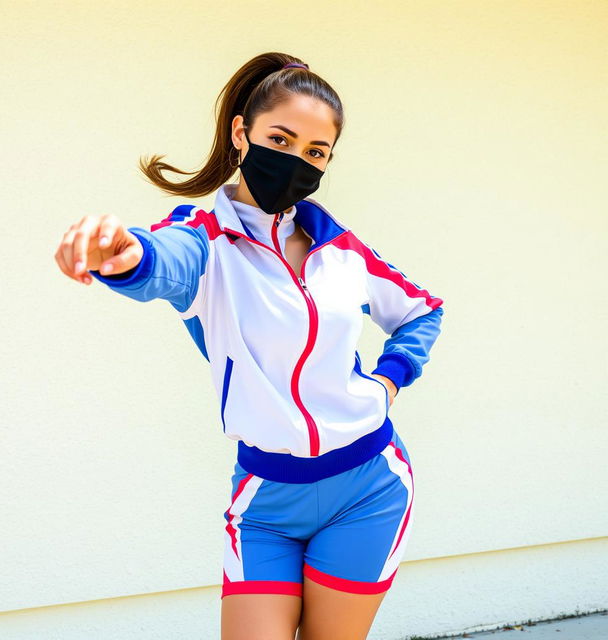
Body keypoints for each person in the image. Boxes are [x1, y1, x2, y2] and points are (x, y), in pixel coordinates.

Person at [54, 51, 444, 640]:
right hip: (265, 502)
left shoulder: (339, 249)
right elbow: (160, 261)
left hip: (368, 486)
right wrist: (120, 253)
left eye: (316, 153)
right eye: (280, 139)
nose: (296, 162)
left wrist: (387, 380)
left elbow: (423, 310)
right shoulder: (205, 241)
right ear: (243, 133)